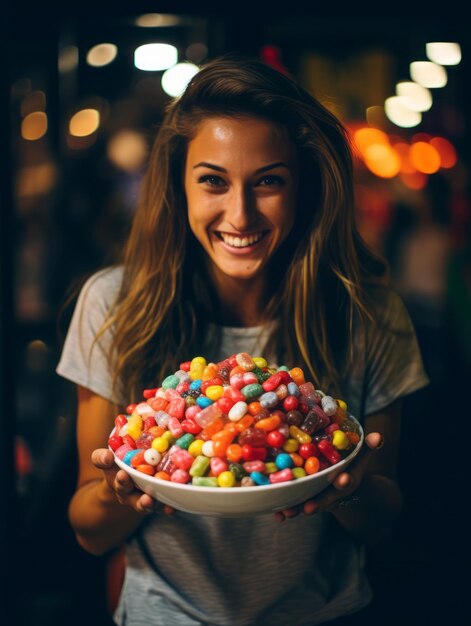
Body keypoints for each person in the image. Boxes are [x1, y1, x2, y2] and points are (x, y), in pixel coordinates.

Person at [56, 54, 430, 626]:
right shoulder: (113, 304)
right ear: (177, 184)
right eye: (213, 181)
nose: (240, 214)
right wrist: (119, 491)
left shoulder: (368, 312)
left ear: (302, 185)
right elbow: (87, 530)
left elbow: (385, 524)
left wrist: (347, 489)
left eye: (269, 182)